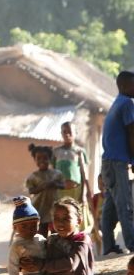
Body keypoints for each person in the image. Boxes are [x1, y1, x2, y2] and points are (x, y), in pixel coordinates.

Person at [100, 71, 134, 254]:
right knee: (125, 205)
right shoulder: (127, 103)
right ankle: (132, 243)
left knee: (111, 205)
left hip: (107, 161)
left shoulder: (116, 103)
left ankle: (109, 245)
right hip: (117, 161)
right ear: (125, 85)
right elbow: (132, 133)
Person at [7, 196, 48, 275]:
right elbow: (12, 262)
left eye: (33, 225)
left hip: (45, 272)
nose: (29, 229)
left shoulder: (40, 239)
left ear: (38, 224)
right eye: (24, 226)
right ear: (15, 228)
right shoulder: (17, 245)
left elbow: (49, 251)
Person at [26, 144, 69, 237]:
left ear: (50, 159)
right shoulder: (33, 176)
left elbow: (63, 185)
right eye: (39, 158)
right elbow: (31, 191)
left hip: (54, 207)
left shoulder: (57, 174)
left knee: (56, 230)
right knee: (42, 232)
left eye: (45, 158)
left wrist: (54, 184)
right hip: (40, 208)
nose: (42, 161)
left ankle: (54, 247)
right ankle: (43, 249)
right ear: (35, 160)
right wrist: (42, 187)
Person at [53, 122, 92, 221]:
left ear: (75, 133)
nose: (67, 134)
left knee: (75, 217)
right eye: (64, 131)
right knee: (62, 217)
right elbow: (52, 174)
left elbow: (84, 175)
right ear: (61, 133)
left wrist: (83, 194)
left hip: (76, 191)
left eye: (70, 131)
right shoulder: (56, 152)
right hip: (60, 192)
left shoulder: (80, 151)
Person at [91, 173, 114, 256]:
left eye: (103, 184)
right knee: (96, 235)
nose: (102, 186)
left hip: (109, 221)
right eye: (99, 184)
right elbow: (93, 213)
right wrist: (96, 226)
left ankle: (109, 249)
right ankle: (99, 254)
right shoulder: (96, 197)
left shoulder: (111, 197)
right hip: (98, 221)